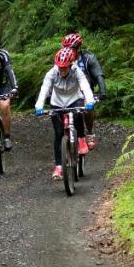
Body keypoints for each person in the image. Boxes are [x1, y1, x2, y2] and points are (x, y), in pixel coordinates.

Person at [34, 46, 95, 180]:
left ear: (71, 64)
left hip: (75, 99)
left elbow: (85, 86)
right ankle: (59, 166)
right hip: (57, 102)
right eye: (60, 66)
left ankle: (81, 139)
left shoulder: (77, 71)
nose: (62, 69)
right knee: (58, 133)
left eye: (65, 67)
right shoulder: (51, 73)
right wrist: (39, 105)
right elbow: (45, 89)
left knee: (79, 113)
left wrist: (90, 101)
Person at [61, 31, 106, 146]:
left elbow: (98, 75)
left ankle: (89, 132)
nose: (69, 51)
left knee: (88, 108)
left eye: (72, 48)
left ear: (78, 48)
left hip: (85, 91)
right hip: (67, 90)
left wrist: (102, 91)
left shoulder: (88, 58)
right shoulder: (61, 58)